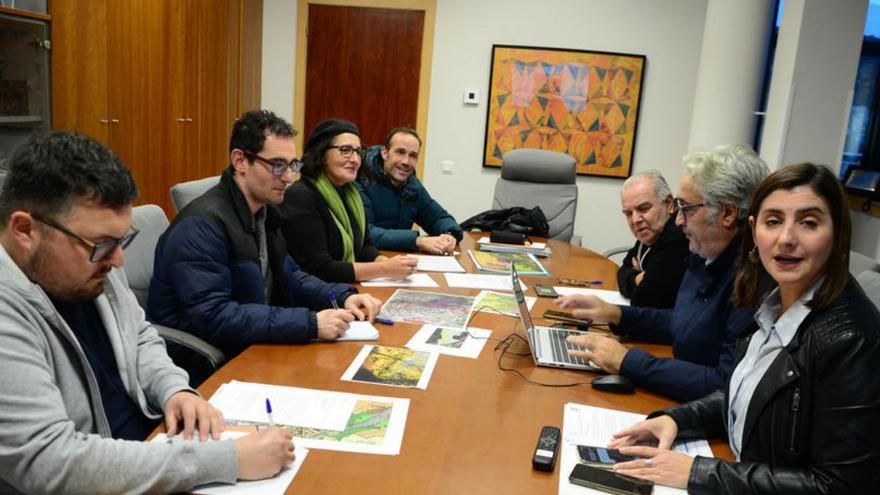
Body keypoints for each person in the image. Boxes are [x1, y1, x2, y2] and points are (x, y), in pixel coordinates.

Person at [0, 131, 294, 493]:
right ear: (25, 230)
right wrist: (227, 460)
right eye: (104, 245)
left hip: (151, 451)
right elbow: (50, 461)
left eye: (123, 241)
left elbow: (140, 335)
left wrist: (175, 391)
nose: (118, 260)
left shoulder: (93, 267)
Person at [606, 163, 880, 494]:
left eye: (809, 223)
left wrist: (699, 473)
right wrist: (678, 420)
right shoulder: (772, 302)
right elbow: (746, 395)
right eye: (773, 221)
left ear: (837, 233)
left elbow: (838, 486)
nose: (786, 238)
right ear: (753, 229)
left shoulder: (852, 339)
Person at [148, 111, 382, 377]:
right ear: (240, 161)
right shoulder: (201, 226)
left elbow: (291, 276)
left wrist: (342, 296)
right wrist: (309, 323)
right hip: (210, 364)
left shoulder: (264, 211)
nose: (289, 177)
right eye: (277, 165)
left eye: (292, 165)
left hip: (255, 341)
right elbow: (214, 316)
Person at [557, 144, 769, 402]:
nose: (679, 220)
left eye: (686, 208)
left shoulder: (751, 279)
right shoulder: (705, 254)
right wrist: (617, 314)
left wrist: (626, 360)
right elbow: (681, 323)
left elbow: (724, 384)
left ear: (727, 213)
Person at [279, 118, 418, 282]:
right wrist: (384, 269)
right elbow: (319, 268)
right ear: (322, 153)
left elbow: (364, 247)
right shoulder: (300, 197)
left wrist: (389, 263)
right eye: (345, 150)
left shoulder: (350, 193)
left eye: (358, 151)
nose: (355, 159)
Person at [356, 126, 463, 254]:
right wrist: (417, 241)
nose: (406, 161)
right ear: (385, 153)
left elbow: (438, 218)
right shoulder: (361, 179)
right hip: (368, 261)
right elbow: (365, 233)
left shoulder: (413, 186)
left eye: (413, 155)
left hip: (401, 261)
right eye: (400, 152)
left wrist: (449, 234)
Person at [617, 170, 690, 307]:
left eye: (643, 209)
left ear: (669, 204)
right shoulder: (652, 231)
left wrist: (639, 281)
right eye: (628, 214)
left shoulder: (678, 238)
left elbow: (644, 300)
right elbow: (624, 269)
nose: (635, 220)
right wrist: (637, 279)